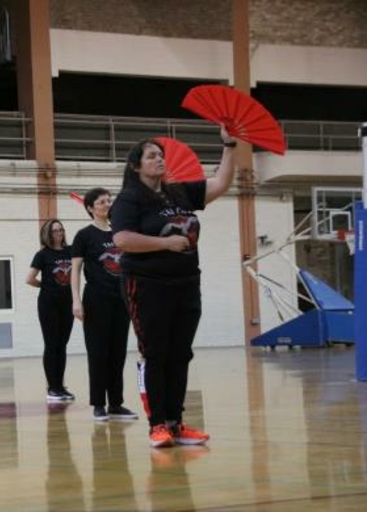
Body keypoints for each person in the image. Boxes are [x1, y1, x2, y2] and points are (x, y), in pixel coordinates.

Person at [111, 126, 236, 448]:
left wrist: (230, 144)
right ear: (136, 165)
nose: (159, 160)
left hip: (186, 283)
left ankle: (176, 423)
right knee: (156, 354)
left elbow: (221, 183)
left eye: (161, 155)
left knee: (181, 354)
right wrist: (164, 243)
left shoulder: (179, 192)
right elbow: (123, 239)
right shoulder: (129, 198)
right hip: (146, 284)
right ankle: (157, 426)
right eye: (152, 156)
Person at [71, 188, 138, 422]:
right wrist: (76, 301)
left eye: (109, 201)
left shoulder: (121, 233)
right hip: (96, 300)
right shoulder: (84, 235)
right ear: (90, 207)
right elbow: (75, 270)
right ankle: (99, 404)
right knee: (98, 353)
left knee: (118, 352)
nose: (107, 204)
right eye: (101, 202)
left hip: (122, 298)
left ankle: (116, 405)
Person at [26, 219, 75, 402]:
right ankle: (52, 388)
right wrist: (45, 286)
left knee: (62, 345)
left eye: (61, 230)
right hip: (48, 304)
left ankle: (60, 386)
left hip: (67, 303)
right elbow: (29, 279)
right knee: (52, 344)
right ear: (48, 234)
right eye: (55, 230)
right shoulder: (42, 255)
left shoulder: (71, 251)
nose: (59, 233)